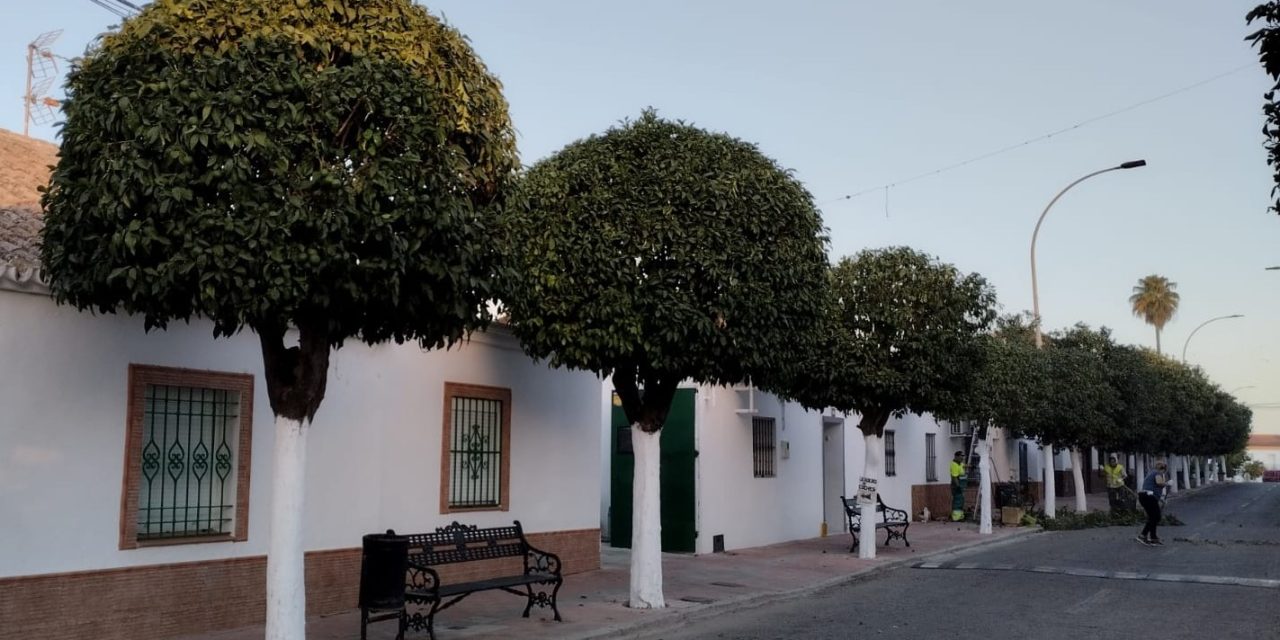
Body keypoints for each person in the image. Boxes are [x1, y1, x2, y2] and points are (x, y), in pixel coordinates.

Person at [1136, 459, 1169, 545]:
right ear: (1163, 468)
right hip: (1148, 497)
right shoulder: (1157, 473)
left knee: (1153, 517)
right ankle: (1145, 535)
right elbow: (1159, 483)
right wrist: (1167, 484)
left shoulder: (1151, 473)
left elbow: (1152, 487)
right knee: (1156, 516)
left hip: (1145, 496)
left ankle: (1152, 537)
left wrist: (1161, 499)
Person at [950, 451, 968, 522]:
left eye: (963, 456)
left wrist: (972, 466)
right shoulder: (954, 465)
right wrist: (958, 486)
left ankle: (960, 516)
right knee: (957, 500)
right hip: (957, 486)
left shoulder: (959, 463)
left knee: (961, 500)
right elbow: (955, 477)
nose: (962, 458)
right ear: (956, 456)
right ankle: (956, 517)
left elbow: (964, 465)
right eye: (961, 456)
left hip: (961, 485)